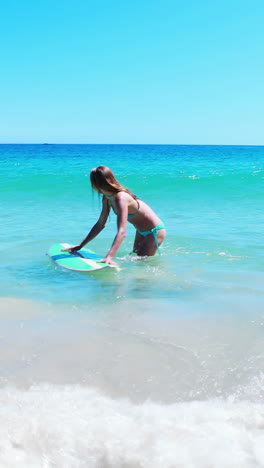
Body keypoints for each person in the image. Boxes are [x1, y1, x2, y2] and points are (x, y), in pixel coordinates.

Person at [62, 166, 166, 265]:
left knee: (142, 263)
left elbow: (122, 232)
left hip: (154, 231)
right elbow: (100, 224)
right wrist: (81, 245)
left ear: (96, 184)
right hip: (140, 231)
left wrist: (109, 257)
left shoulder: (121, 198)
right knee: (136, 258)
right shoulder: (107, 198)